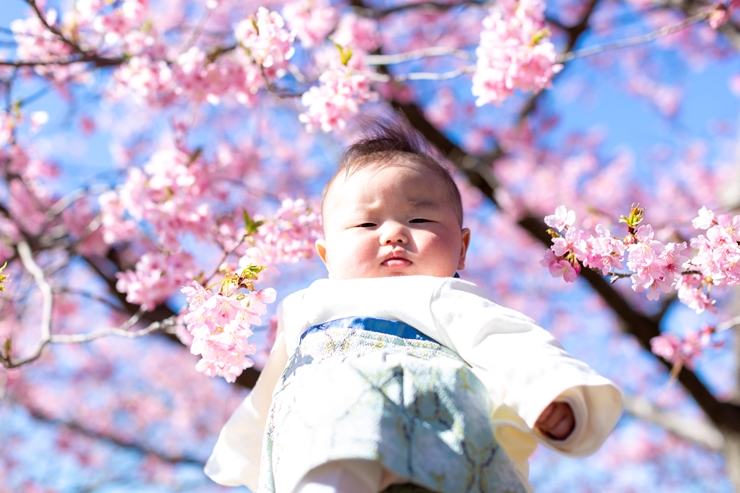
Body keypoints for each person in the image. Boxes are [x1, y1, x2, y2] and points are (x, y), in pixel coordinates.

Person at [204, 119, 622, 493]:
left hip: (434, 437)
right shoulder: (305, 307)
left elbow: (506, 341)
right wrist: (244, 450)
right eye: (366, 224)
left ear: (461, 249)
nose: (394, 235)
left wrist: (548, 394)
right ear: (326, 255)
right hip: (325, 433)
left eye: (419, 220)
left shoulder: (441, 295)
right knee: (325, 453)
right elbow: (276, 382)